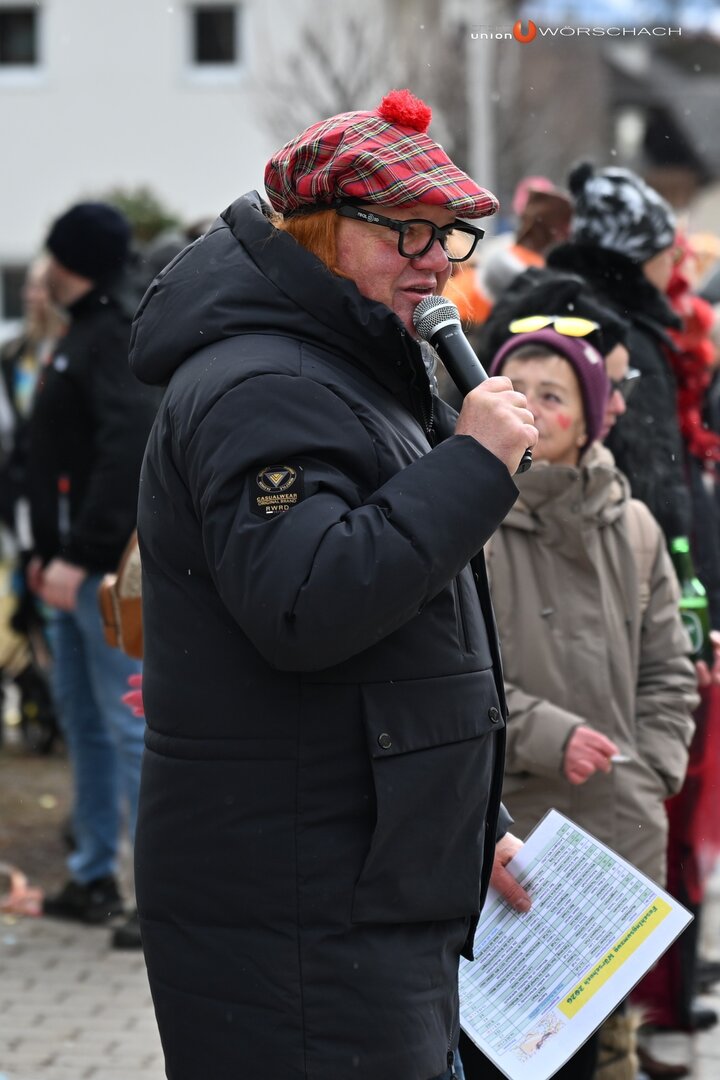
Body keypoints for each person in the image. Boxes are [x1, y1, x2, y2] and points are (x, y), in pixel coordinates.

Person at [129, 88, 538, 1080]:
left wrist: (464, 824)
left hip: (352, 890)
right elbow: (308, 603)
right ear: (319, 230)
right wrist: (473, 466)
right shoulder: (267, 387)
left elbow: (398, 645)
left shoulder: (341, 371)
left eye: (447, 235)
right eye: (407, 231)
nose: (436, 261)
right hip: (301, 916)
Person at [460, 327, 697, 1080]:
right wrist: (548, 734)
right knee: (498, 1046)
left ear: (592, 417)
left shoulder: (635, 525)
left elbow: (669, 668)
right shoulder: (470, 521)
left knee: (587, 1043)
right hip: (511, 826)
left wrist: (652, 767)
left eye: (553, 395)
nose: (531, 406)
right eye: (517, 390)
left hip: (615, 829)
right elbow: (454, 677)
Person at [27, 202, 159, 950]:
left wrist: (80, 553)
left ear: (69, 260)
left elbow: (126, 450)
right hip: (67, 571)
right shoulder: (81, 332)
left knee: (128, 724)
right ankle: (94, 875)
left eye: (51, 255)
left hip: (104, 573)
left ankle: (156, 894)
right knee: (85, 723)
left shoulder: (110, 334)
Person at [548, 162, 690, 544]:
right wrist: (678, 554)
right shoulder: (624, 341)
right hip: (628, 546)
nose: (674, 264)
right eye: (669, 252)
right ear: (639, 255)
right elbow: (653, 473)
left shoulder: (564, 308)